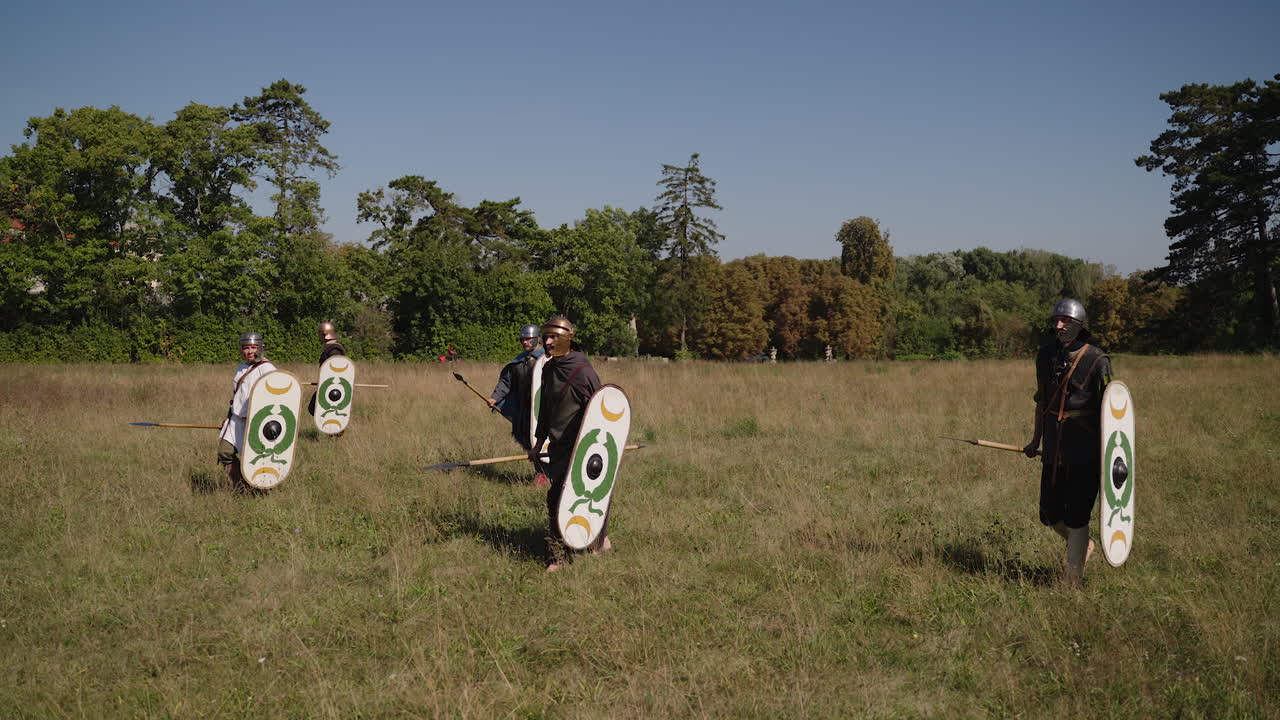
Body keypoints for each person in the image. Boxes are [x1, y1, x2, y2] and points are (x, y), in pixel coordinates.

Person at [1023, 299, 1112, 584]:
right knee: (1048, 514)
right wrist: (1035, 440)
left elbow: (1112, 409)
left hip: (1084, 451)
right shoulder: (1045, 356)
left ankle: (1072, 581)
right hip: (1053, 448)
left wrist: (1110, 454)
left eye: (1065, 321)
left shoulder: (1098, 360)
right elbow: (1041, 403)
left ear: (1078, 325)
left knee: (1077, 516)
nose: (1058, 325)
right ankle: (1083, 545)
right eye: (1056, 320)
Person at [528, 315, 604, 571]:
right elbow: (546, 410)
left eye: (552, 338)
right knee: (562, 497)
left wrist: (595, 447)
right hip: (558, 446)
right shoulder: (548, 369)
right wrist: (539, 444)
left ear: (566, 339)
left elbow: (600, 411)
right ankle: (596, 540)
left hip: (580, 447)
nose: (547, 342)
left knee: (570, 496)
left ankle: (559, 556)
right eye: (545, 337)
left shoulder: (582, 371)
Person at [488, 324, 548, 485]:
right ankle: (541, 471)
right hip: (524, 410)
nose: (524, 342)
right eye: (522, 339)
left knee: (544, 441)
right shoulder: (519, 362)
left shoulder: (548, 360)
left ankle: (545, 474)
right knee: (525, 437)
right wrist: (495, 397)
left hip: (545, 411)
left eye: (528, 339)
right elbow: (506, 383)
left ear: (537, 339)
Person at [217, 332, 277, 490]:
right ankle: (241, 486)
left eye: (253, 347)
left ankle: (261, 489)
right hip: (236, 419)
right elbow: (238, 396)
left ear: (261, 348)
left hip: (256, 422)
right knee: (224, 452)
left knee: (257, 460)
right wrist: (228, 418)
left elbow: (276, 398)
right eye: (246, 348)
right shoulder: (242, 367)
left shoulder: (267, 368)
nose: (249, 351)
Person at [309, 321, 348, 417]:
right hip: (328, 386)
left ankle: (335, 431)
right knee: (313, 408)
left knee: (325, 410)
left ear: (324, 334)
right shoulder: (330, 348)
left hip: (333, 388)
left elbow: (337, 372)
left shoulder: (334, 351)